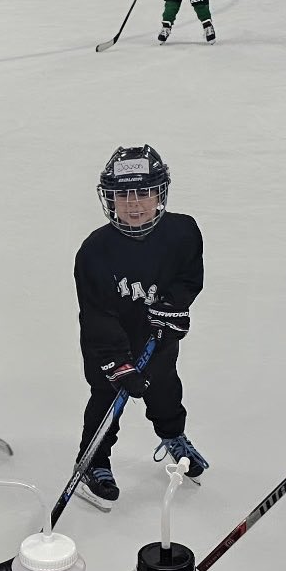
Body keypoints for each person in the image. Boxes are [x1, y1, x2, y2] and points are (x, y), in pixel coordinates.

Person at [73, 145, 206, 512]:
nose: (133, 204)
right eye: (122, 194)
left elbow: (189, 278)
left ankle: (173, 436)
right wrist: (117, 362)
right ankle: (93, 460)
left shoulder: (183, 232)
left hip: (157, 336)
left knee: (165, 389)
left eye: (144, 192)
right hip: (108, 343)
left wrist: (173, 308)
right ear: (109, 198)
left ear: (160, 194)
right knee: (106, 399)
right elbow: (96, 314)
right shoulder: (94, 251)